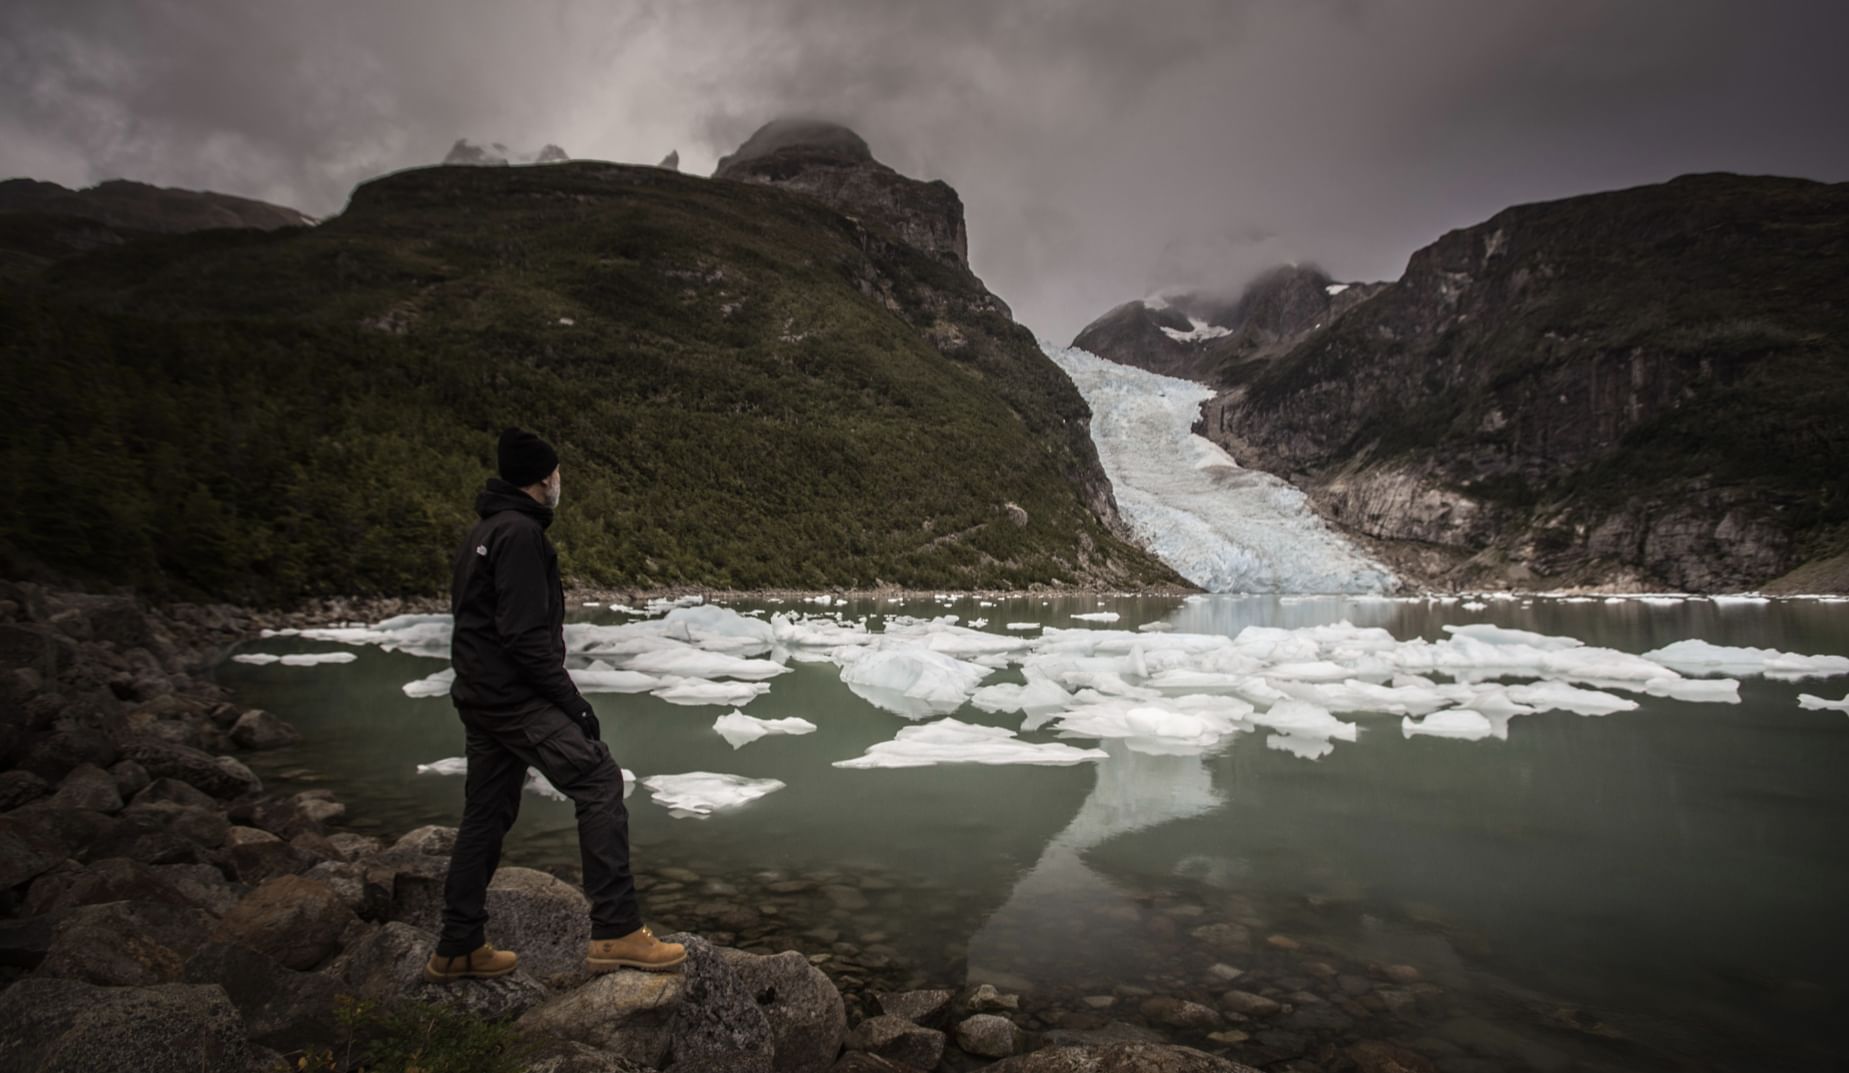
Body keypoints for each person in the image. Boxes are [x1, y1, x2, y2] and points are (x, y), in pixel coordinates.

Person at [423, 426, 686, 983]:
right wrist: (573, 704)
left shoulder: (486, 530)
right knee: (598, 781)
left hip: (481, 695)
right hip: (513, 698)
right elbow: (524, 638)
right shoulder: (520, 534)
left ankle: (458, 944)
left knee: (486, 814)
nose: (560, 482)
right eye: (558, 473)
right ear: (544, 478)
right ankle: (616, 930)